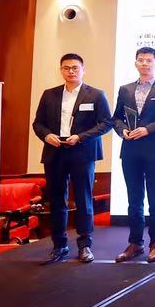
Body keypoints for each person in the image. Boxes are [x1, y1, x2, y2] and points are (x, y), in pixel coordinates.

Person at [32, 53, 112, 264]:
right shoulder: (49, 94)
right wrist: (47, 135)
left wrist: (81, 137)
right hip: (55, 151)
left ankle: (85, 245)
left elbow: (106, 123)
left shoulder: (96, 95)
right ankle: (59, 246)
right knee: (57, 199)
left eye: (75, 68)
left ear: (83, 70)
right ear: (61, 70)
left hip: (82, 152)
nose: (71, 71)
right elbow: (38, 123)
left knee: (84, 199)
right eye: (66, 68)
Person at [112, 47, 155, 263]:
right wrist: (122, 130)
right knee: (134, 199)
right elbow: (116, 118)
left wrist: (148, 129)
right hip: (130, 150)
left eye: (149, 60)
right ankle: (135, 243)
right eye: (141, 60)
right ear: (135, 63)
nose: (144, 63)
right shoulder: (125, 89)